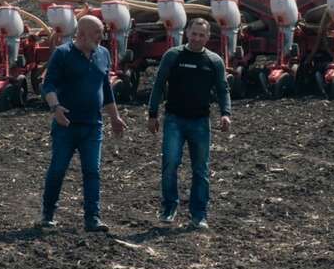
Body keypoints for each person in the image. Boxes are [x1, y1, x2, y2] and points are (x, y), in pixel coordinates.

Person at [39, 15, 127, 232]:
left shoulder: (103, 54)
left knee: (92, 171)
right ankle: (48, 215)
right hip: (66, 125)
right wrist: (55, 107)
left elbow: (105, 89)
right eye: (97, 33)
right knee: (58, 169)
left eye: (102, 32)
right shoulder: (63, 54)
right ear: (82, 34)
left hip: (93, 126)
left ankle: (92, 218)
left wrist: (115, 117)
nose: (102, 37)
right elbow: (48, 85)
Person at [147, 17, 231, 229]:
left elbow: (223, 89)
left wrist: (225, 113)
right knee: (170, 164)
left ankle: (199, 214)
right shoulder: (173, 56)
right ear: (186, 33)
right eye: (194, 33)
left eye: (201, 35)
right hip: (174, 119)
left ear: (207, 38)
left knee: (200, 169)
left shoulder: (214, 61)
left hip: (200, 122)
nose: (196, 38)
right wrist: (152, 113)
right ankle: (169, 208)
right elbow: (158, 85)